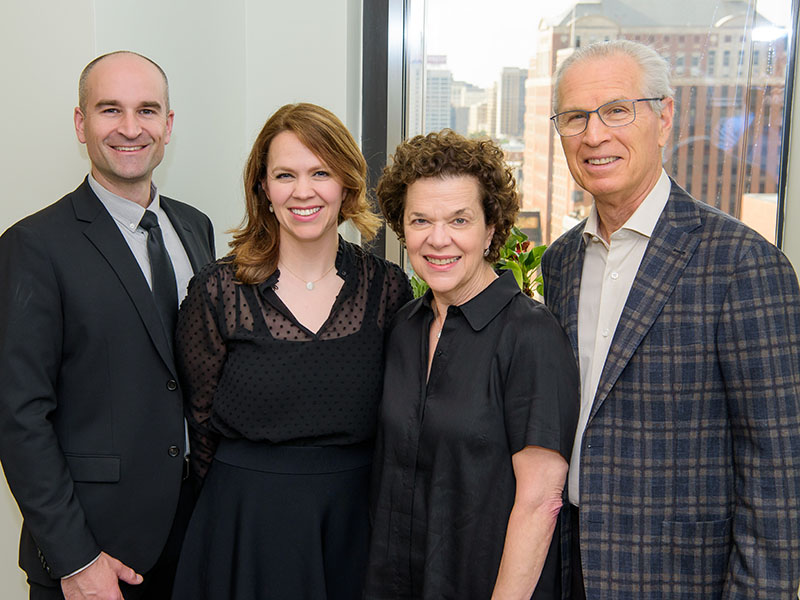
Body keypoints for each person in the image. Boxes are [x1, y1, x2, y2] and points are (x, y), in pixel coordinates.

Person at [542, 39, 800, 598]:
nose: (594, 135)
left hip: (682, 578)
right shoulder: (559, 262)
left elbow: (779, 467)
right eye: (574, 117)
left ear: (664, 118)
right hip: (570, 567)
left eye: (616, 110)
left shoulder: (743, 264)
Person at [171, 102, 412, 599]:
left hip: (354, 524)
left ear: (346, 182)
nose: (303, 191)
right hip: (244, 523)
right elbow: (199, 422)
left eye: (320, 172)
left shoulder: (389, 289)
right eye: (285, 174)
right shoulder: (218, 290)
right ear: (263, 186)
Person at [0, 51, 215, 600]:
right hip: (97, 554)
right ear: (81, 123)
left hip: (193, 539)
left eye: (146, 110)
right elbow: (18, 415)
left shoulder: (195, 227)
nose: (129, 128)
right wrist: (75, 560)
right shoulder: (33, 246)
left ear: (168, 126)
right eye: (109, 109)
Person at [365, 130, 579, 599]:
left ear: (491, 229)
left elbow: (540, 502)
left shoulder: (531, 335)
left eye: (459, 220)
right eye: (421, 220)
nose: (438, 239)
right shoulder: (403, 327)